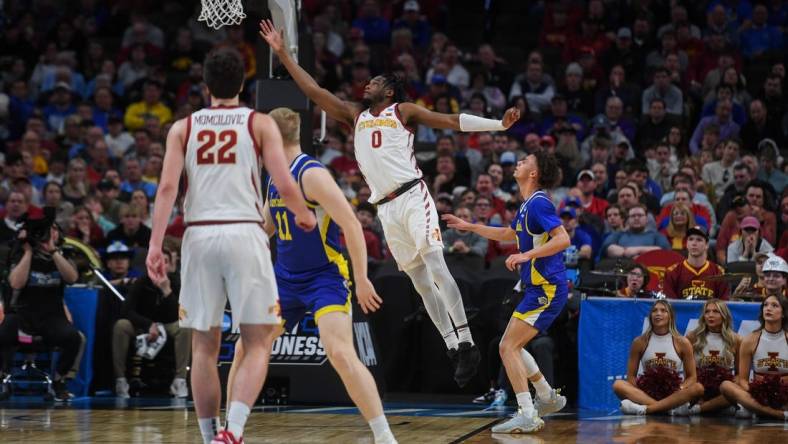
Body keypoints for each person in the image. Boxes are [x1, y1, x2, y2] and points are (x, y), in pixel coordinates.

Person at [260, 19, 523, 385]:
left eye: (376, 81)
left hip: (413, 195)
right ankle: (452, 345)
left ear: (389, 91)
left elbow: (449, 120)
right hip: (386, 207)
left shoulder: (403, 111)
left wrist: (499, 126)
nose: (368, 83)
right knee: (418, 280)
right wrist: (282, 54)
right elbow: (314, 90)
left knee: (434, 263)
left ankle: (466, 339)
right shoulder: (355, 115)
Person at [145, 48, 316, 444]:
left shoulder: (182, 128)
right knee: (257, 340)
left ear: (205, 86)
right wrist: (304, 215)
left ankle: (209, 437)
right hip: (243, 232)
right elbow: (284, 181)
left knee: (204, 347)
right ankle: (233, 432)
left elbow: (168, 188)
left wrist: (155, 245)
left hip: (199, 235)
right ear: (244, 85)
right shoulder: (259, 123)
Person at [226, 108, 396, 444]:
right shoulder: (275, 175)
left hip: (324, 278)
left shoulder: (312, 174)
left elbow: (351, 224)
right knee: (245, 348)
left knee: (340, 353)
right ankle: (230, 430)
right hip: (285, 279)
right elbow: (267, 226)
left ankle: (384, 435)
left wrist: (361, 279)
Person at [442, 151, 569, 433]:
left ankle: (528, 412)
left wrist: (527, 256)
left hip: (547, 287)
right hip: (537, 287)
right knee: (511, 345)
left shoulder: (539, 204)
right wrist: (470, 226)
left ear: (534, 174)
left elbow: (563, 239)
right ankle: (547, 396)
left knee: (507, 346)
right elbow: (508, 234)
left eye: (525, 161)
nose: (520, 163)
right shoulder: (527, 206)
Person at [0, 211, 81, 402]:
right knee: (3, 333)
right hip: (23, 314)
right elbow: (16, 283)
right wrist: (28, 251)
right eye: (43, 231)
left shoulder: (62, 254)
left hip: (52, 316)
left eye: (51, 230)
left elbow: (72, 278)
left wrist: (53, 251)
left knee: (73, 338)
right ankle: (2, 378)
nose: (46, 234)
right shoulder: (20, 253)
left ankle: (59, 380)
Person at [112, 246, 191, 399]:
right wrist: (148, 324)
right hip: (144, 326)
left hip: (169, 325)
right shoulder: (142, 282)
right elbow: (126, 310)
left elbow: (181, 314)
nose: (161, 265)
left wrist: (166, 290)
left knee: (185, 328)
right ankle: (120, 380)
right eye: (157, 261)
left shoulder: (177, 282)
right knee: (121, 325)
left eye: (165, 262)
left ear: (170, 265)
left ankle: (180, 380)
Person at [613, 300, 705, 415]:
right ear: (650, 316)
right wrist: (640, 392)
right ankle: (668, 410)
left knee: (698, 388)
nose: (658, 313)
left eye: (663, 310)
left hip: (673, 393)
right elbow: (631, 376)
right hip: (647, 393)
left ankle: (645, 409)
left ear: (670, 316)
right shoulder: (639, 342)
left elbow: (692, 377)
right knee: (618, 385)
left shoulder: (683, 342)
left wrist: (680, 389)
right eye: (654, 311)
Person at [719, 295, 788, 420]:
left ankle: (753, 409)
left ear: (783, 313)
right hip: (759, 395)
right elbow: (743, 379)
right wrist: (755, 392)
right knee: (726, 386)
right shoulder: (750, 340)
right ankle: (779, 415)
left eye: (774, 305)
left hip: (785, 397)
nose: (768, 308)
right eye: (766, 305)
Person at [684, 299, 741, 415]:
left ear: (724, 315)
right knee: (693, 388)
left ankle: (698, 409)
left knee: (738, 390)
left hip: (723, 389)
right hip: (699, 387)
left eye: (716, 312)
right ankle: (716, 407)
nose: (710, 315)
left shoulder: (736, 339)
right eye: (707, 312)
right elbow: (688, 373)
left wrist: (734, 384)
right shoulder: (692, 337)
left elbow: (739, 374)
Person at [664, 226, 730, 300]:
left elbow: (724, 305)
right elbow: (669, 306)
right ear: (686, 244)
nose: (694, 243)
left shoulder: (719, 272)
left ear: (707, 245)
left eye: (699, 240)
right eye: (691, 239)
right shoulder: (672, 272)